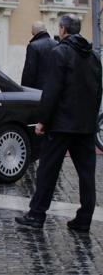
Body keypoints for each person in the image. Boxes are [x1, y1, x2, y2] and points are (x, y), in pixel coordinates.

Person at [15, 14, 102, 232]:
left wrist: (42, 120)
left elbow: (52, 91)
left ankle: (36, 215)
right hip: (85, 125)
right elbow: (98, 90)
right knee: (86, 174)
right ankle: (84, 219)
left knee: (47, 170)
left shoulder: (60, 53)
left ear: (63, 30)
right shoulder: (93, 56)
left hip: (62, 124)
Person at [21, 21, 57, 90]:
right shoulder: (57, 44)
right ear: (46, 30)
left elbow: (29, 73)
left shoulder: (33, 46)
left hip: (38, 91)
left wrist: (24, 90)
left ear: (32, 32)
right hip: (55, 90)